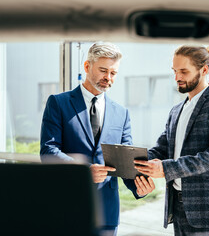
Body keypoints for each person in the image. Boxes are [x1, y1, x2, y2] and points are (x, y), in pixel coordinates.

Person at [40, 42, 155, 236]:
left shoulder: (121, 113)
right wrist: (83, 172)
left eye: (113, 73)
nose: (108, 78)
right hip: (67, 208)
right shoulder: (58, 103)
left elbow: (124, 161)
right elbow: (48, 150)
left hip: (106, 213)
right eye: (103, 70)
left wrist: (140, 186)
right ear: (87, 67)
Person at [135, 45, 209, 235]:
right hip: (178, 207)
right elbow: (162, 149)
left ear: (204, 70)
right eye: (175, 71)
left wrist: (166, 169)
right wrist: (130, 160)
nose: (177, 77)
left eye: (184, 71)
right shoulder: (176, 110)